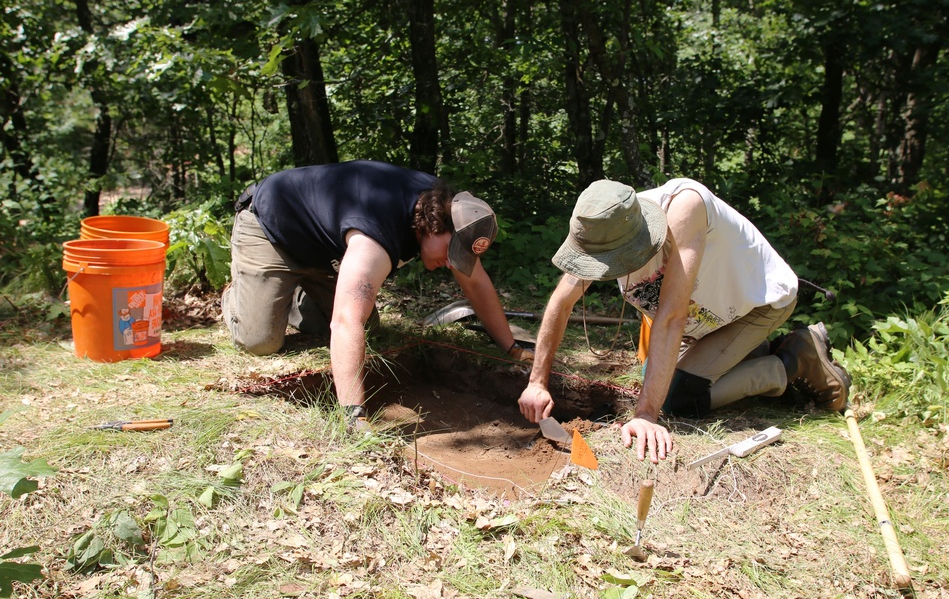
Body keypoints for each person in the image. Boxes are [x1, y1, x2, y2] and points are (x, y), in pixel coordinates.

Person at [518, 178, 850, 463]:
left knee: (678, 396)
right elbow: (560, 304)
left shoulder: (684, 208)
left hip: (757, 306)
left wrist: (646, 415)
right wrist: (536, 382)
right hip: (708, 321)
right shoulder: (603, 229)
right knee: (655, 376)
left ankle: (794, 361)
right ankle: (758, 354)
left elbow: (672, 316)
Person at [222, 160, 532, 427]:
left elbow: (476, 284)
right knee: (260, 341)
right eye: (452, 253)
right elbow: (346, 321)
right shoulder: (376, 234)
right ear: (433, 225)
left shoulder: (454, 214)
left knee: (369, 329)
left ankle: (290, 294)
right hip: (272, 230)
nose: (452, 264)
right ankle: (240, 295)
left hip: (327, 251)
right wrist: (354, 416)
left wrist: (511, 348)